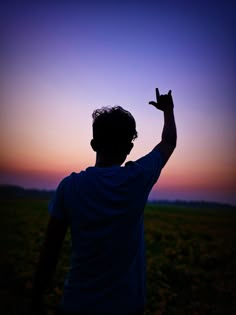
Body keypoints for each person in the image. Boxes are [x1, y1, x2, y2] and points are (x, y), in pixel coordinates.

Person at [31, 88, 177, 315]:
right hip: (127, 307)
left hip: (76, 304)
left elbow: (50, 251)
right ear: (129, 149)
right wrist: (168, 110)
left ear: (93, 143)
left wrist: (35, 299)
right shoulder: (137, 179)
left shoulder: (70, 186)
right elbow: (168, 142)